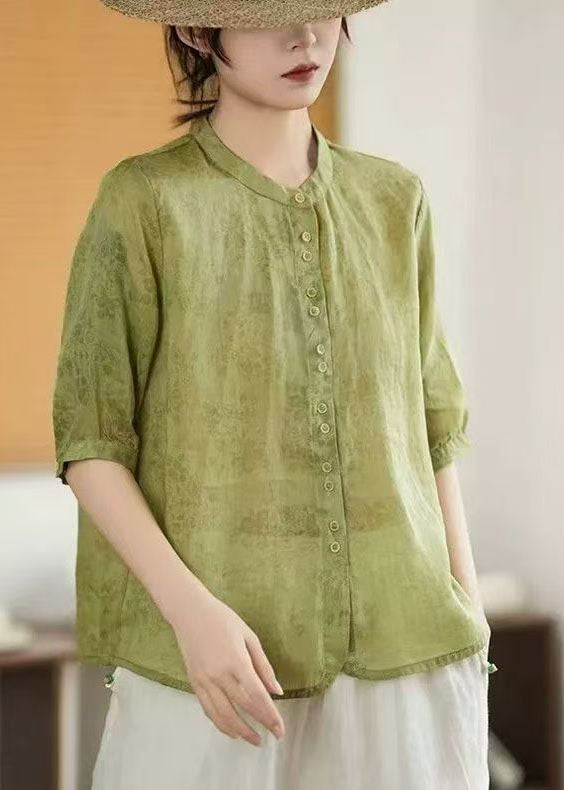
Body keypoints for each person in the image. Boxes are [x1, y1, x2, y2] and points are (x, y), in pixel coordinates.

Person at [51, 0, 497, 787]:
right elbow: (92, 443)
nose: (306, 36)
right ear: (197, 30)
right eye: (268, 13)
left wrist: (468, 608)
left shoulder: (395, 201)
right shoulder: (145, 202)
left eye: (323, 8)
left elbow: (433, 424)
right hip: (218, 666)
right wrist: (192, 616)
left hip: (407, 658)